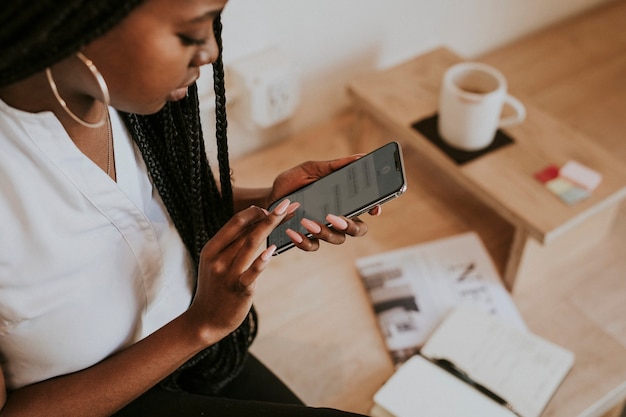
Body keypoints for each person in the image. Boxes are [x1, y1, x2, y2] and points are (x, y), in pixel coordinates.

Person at [0, 0, 379, 416]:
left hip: (195, 351)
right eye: (189, 34)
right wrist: (200, 326)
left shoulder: (121, 95)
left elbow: (160, 198)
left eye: (215, 23)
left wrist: (269, 202)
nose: (211, 52)